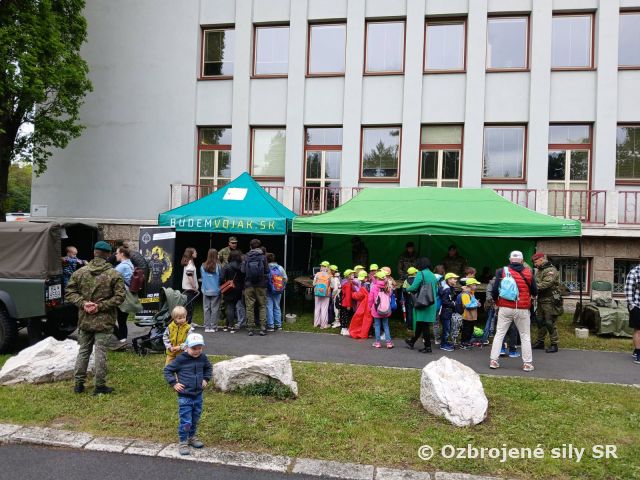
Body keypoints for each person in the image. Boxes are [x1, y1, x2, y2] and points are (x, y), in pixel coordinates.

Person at [66, 241, 125, 395]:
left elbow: (69, 292)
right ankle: (99, 386)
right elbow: (120, 297)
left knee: (84, 351)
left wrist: (83, 304)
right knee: (101, 352)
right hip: (104, 321)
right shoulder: (114, 274)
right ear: (108, 255)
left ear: (94, 253)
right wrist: (100, 306)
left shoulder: (80, 272)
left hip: (85, 319)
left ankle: (78, 384)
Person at [163, 333, 212, 456]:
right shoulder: (181, 359)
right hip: (185, 396)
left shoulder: (203, 358)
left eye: (199, 348)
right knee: (186, 420)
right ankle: (183, 441)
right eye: (194, 348)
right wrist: (174, 383)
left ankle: (192, 437)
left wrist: (206, 379)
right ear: (186, 347)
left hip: (198, 395)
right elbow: (168, 370)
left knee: (195, 418)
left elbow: (208, 368)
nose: (197, 351)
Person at [489, 251, 537, 371]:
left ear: (510, 260)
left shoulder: (501, 271)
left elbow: (495, 290)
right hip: (522, 308)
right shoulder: (529, 272)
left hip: (505, 307)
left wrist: (497, 301)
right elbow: (535, 291)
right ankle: (527, 363)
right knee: (525, 336)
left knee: (499, 334)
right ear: (522, 260)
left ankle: (494, 361)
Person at [405, 257, 438, 353]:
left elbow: (414, 287)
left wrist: (407, 289)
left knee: (424, 325)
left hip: (423, 302)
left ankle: (428, 347)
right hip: (431, 302)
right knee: (421, 323)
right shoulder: (432, 275)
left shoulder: (421, 273)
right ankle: (412, 342)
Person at [531, 253, 562, 353]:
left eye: (536, 262)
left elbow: (546, 283)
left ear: (541, 259)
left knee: (549, 322)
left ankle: (554, 344)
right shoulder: (540, 270)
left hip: (550, 300)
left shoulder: (550, 270)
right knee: (540, 321)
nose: (535, 264)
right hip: (541, 299)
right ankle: (540, 342)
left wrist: (532, 288)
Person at [241, 238, 269, 336]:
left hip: (249, 285)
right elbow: (267, 270)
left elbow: (243, 270)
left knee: (249, 307)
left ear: (250, 246)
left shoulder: (246, 257)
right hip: (261, 285)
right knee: (262, 306)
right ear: (260, 247)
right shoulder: (263, 257)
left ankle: (250, 329)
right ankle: (262, 328)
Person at [113, 246, 134, 343]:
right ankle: (122, 339)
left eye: (117, 253)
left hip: (122, 296)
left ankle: (121, 338)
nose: (115, 255)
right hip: (128, 296)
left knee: (111, 318)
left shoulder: (123, 266)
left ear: (122, 254)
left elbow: (110, 276)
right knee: (122, 320)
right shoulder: (130, 264)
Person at [369, 270, 393, 348]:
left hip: (376, 310)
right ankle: (389, 343)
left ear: (377, 278)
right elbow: (390, 295)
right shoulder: (387, 286)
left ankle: (377, 343)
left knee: (377, 326)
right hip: (386, 309)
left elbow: (370, 299)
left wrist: (370, 307)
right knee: (386, 325)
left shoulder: (374, 287)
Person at [221, 250, 244, 332]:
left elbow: (221, 278)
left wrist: (224, 284)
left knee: (229, 306)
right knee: (233, 306)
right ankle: (227, 324)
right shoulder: (242, 266)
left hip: (229, 288)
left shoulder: (227, 266)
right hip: (239, 289)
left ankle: (230, 325)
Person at [201, 248, 222, 333]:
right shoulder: (218, 266)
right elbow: (221, 277)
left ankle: (207, 326)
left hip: (205, 289)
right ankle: (213, 327)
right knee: (215, 309)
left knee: (206, 308)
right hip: (216, 289)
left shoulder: (203, 265)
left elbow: (202, 277)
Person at [266, 252, 287, 331]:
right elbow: (285, 278)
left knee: (269, 307)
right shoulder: (280, 267)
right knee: (277, 306)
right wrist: (282, 287)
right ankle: (278, 325)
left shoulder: (266, 268)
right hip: (278, 290)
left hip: (268, 290)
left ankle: (271, 325)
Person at [349, 270, 373, 339]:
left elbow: (360, 295)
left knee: (364, 319)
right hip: (367, 304)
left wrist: (353, 294)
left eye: (362, 279)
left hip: (364, 305)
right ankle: (369, 332)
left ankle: (366, 332)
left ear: (366, 277)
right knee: (368, 319)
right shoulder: (368, 283)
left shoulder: (365, 285)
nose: (361, 280)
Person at [438, 273, 458, 352]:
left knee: (447, 328)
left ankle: (445, 342)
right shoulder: (447, 289)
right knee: (446, 329)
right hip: (445, 311)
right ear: (449, 280)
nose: (456, 280)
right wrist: (453, 304)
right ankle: (443, 345)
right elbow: (445, 301)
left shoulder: (450, 288)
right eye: (454, 279)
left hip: (447, 311)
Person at [624, 263, 640, 364]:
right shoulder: (634, 272)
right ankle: (639, 354)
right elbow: (628, 291)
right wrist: (632, 306)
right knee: (638, 330)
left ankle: (636, 349)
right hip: (637, 305)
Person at [459, 278, 481, 350]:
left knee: (470, 330)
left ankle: (467, 342)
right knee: (466, 330)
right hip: (467, 316)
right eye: (475, 285)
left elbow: (473, 302)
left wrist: (477, 303)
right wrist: (476, 304)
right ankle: (463, 343)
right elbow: (467, 305)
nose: (476, 287)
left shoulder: (471, 293)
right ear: (470, 285)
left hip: (472, 316)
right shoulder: (465, 294)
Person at [181, 248, 199, 325]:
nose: (196, 253)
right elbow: (189, 276)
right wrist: (194, 287)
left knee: (189, 306)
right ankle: (188, 324)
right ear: (191, 254)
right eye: (195, 252)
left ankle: (189, 322)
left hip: (187, 288)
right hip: (190, 289)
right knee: (189, 307)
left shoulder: (188, 262)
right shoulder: (190, 263)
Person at [313, 261, 332, 329]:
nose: (321, 267)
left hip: (317, 293)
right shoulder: (329, 275)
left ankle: (316, 324)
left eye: (321, 266)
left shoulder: (317, 274)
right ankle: (323, 325)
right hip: (326, 294)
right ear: (327, 267)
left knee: (317, 308)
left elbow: (314, 284)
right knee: (324, 309)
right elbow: (332, 285)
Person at [339, 269, 355, 336]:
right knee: (345, 316)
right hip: (346, 303)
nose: (353, 275)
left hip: (344, 302)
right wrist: (348, 305)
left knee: (343, 315)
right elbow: (348, 295)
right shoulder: (348, 284)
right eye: (352, 274)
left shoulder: (345, 282)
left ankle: (343, 329)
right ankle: (344, 329)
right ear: (348, 276)